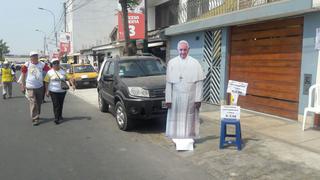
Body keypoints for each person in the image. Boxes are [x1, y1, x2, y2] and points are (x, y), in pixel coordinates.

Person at [165, 40, 205, 148]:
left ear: (189, 50)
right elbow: (169, 83)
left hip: (190, 96)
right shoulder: (172, 63)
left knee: (189, 118)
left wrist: (198, 99)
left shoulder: (195, 63)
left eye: (185, 50)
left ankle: (189, 139)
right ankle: (177, 139)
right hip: (176, 96)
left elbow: (199, 83)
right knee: (176, 118)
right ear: (178, 50)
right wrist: (168, 99)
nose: (183, 52)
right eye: (181, 50)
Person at [19, 51, 50, 126]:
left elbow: (49, 72)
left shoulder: (42, 64)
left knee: (39, 102)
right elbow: (23, 75)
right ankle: (34, 118)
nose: (35, 57)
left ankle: (37, 114)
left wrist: (47, 86)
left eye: (36, 56)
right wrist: (23, 85)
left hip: (40, 87)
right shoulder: (27, 65)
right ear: (30, 58)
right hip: (30, 86)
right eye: (33, 56)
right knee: (33, 102)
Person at [44, 58, 75, 124]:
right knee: (56, 104)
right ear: (52, 65)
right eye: (54, 63)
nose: (56, 65)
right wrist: (47, 91)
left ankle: (60, 115)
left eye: (57, 63)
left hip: (62, 91)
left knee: (60, 104)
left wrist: (72, 85)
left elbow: (69, 78)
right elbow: (46, 82)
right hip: (53, 91)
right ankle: (56, 118)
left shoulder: (63, 71)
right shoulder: (49, 72)